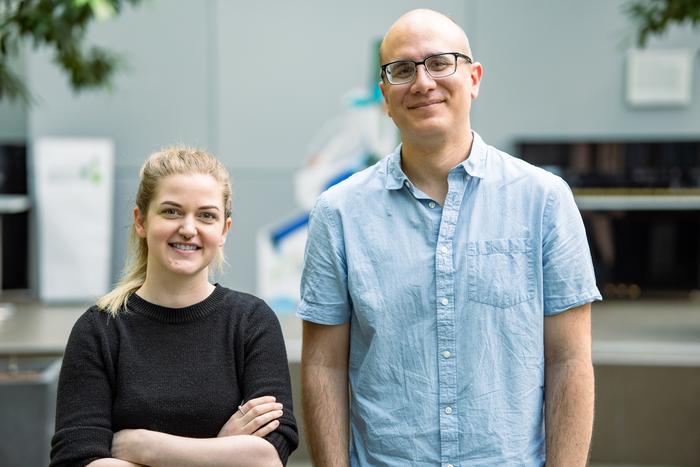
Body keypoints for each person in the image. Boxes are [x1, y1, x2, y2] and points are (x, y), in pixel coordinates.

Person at [299, 8, 601, 467]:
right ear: (384, 94)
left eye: (441, 62)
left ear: (474, 78)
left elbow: (570, 361)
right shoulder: (338, 213)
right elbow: (324, 367)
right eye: (402, 70)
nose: (422, 82)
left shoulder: (544, 200)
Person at [50, 146, 298, 467]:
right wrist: (220, 451)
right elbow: (76, 460)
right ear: (140, 221)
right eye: (171, 211)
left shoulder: (251, 322)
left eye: (206, 215)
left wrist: (143, 447)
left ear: (224, 230)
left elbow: (266, 458)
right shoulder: (100, 329)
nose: (188, 228)